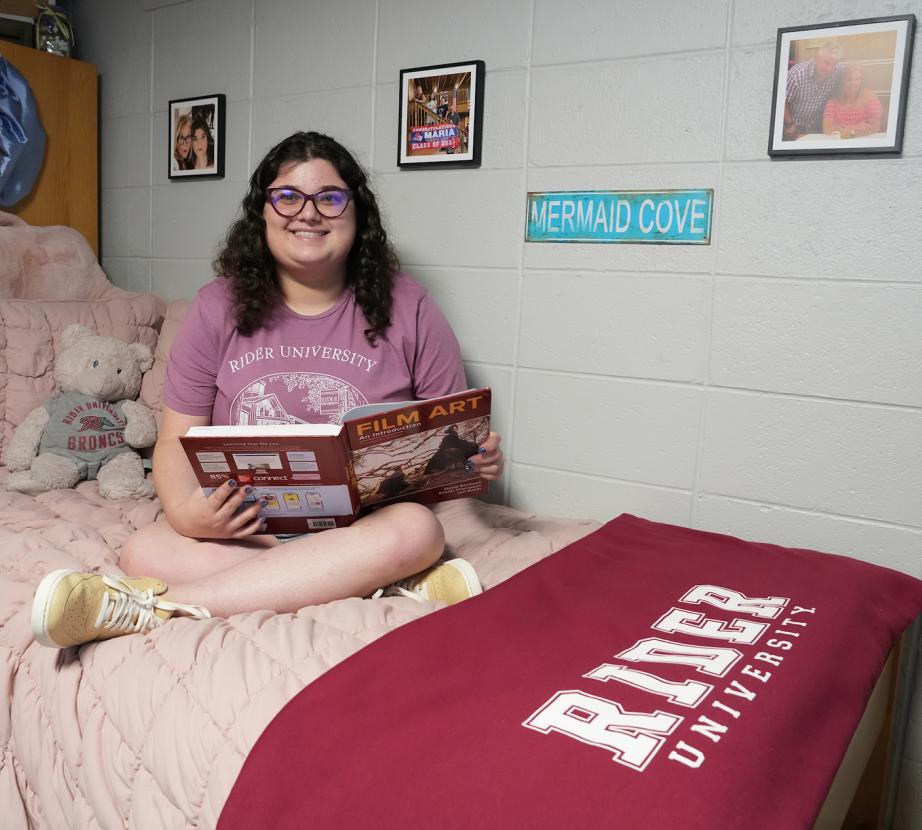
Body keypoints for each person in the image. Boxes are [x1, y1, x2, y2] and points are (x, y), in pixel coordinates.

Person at [30, 131, 505, 649]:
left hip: (367, 526)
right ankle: (379, 583)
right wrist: (189, 514)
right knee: (144, 552)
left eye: (330, 196)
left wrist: (469, 463)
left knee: (419, 531)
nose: (308, 213)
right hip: (252, 530)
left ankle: (154, 610)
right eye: (287, 197)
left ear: (356, 210)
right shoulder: (217, 307)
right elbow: (173, 440)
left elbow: (447, 440)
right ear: (262, 211)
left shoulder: (410, 307)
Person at [782, 42, 843, 138]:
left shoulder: (838, 70)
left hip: (817, 124)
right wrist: (789, 124)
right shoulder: (796, 75)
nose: (830, 68)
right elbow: (782, 101)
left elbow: (853, 72)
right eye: (826, 63)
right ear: (817, 58)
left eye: (834, 64)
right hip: (795, 124)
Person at [822, 63, 883, 139]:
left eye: (857, 79)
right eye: (849, 80)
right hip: (841, 143)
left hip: (866, 142)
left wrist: (847, 130)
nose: (853, 83)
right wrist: (861, 126)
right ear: (842, 82)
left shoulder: (870, 96)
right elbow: (827, 128)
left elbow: (875, 126)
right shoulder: (833, 100)